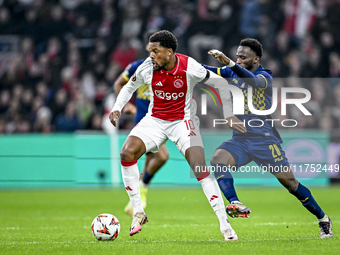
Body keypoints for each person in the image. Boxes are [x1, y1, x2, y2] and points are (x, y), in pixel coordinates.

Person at [109, 30, 246, 240]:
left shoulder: (189, 66)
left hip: (182, 122)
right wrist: (118, 108)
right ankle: (138, 212)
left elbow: (220, 83)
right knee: (127, 153)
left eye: (156, 51)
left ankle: (225, 226)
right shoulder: (147, 67)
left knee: (200, 168)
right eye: (150, 51)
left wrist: (228, 114)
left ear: (170, 52)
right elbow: (129, 87)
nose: (151, 55)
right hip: (154, 120)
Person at [204, 38, 333, 238]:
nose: (238, 59)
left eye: (242, 57)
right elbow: (205, 71)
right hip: (240, 138)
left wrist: (229, 62)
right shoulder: (231, 72)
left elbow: (252, 81)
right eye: (237, 56)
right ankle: (235, 202)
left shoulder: (264, 77)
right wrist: (179, 61)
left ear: (256, 59)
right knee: (217, 160)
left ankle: (323, 218)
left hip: (264, 140)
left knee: (291, 184)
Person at [113, 47, 169, 216]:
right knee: (161, 156)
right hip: (144, 122)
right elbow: (118, 84)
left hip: (161, 121)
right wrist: (126, 105)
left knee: (155, 158)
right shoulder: (136, 67)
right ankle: (140, 193)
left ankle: (135, 200)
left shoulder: (168, 70)